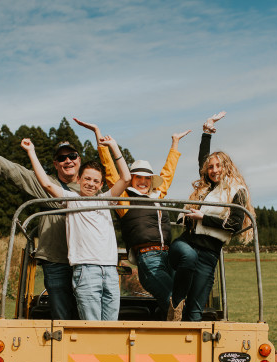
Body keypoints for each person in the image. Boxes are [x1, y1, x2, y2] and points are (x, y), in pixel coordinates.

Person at [0, 125, 80, 320]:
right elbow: (11, 169)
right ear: (55, 164)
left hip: (86, 262)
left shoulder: (92, 185)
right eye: (61, 158)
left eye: (72, 156)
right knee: (62, 318)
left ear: (79, 160)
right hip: (56, 261)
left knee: (89, 316)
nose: (67, 160)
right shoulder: (46, 184)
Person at [74, 118, 191, 315]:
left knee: (178, 300)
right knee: (175, 300)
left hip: (168, 256)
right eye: (138, 177)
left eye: (147, 178)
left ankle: (170, 330)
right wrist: (100, 139)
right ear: (132, 179)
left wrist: (175, 143)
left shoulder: (157, 195)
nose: (143, 182)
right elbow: (111, 172)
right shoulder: (125, 199)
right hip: (149, 257)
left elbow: (168, 173)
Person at [20, 136, 131, 321]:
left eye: (96, 181)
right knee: (92, 325)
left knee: (112, 325)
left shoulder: (106, 199)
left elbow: (126, 178)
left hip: (111, 269)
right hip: (86, 270)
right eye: (87, 179)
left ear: (101, 184)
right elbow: (46, 184)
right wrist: (31, 152)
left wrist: (113, 146)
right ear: (78, 179)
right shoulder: (71, 199)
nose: (91, 183)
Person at [168, 111, 255, 322]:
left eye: (218, 166)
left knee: (196, 309)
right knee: (187, 258)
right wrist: (206, 131)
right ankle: (175, 306)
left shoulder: (237, 190)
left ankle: (188, 350)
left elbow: (233, 224)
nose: (213, 170)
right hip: (187, 243)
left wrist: (202, 218)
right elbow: (202, 160)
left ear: (227, 166)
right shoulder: (207, 187)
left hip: (209, 253)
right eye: (210, 167)